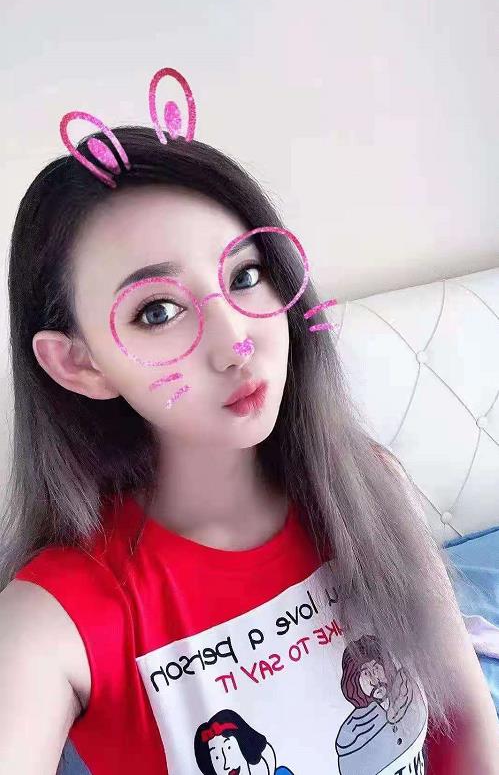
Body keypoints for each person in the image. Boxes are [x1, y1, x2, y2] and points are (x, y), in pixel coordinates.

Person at [0, 72, 497, 774]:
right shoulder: (53, 619)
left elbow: (464, 725)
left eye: (244, 275)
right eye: (157, 311)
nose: (235, 340)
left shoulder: (363, 484)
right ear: (80, 364)